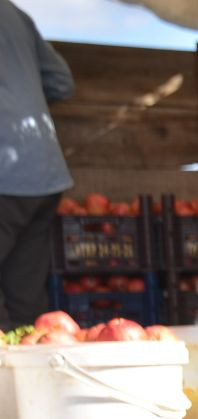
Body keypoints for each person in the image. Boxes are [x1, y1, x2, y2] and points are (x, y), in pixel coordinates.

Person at [0, 0, 74, 330]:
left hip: (5, 172)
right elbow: (61, 82)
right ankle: (21, 378)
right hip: (43, 172)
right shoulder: (14, 13)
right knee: (25, 298)